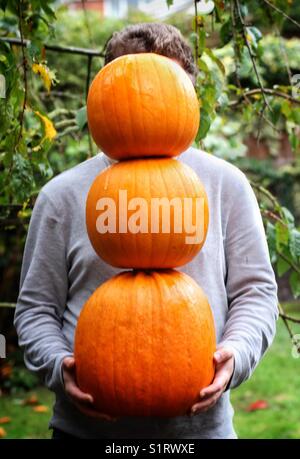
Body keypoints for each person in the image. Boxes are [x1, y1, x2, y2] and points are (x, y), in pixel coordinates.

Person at [14, 23, 278, 439]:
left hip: (199, 431)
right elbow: (35, 309)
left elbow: (255, 292)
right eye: (135, 92)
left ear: (186, 97)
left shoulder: (225, 185)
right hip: (86, 431)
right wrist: (56, 364)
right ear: (105, 96)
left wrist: (235, 354)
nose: (147, 104)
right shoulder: (62, 196)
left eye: (163, 90)